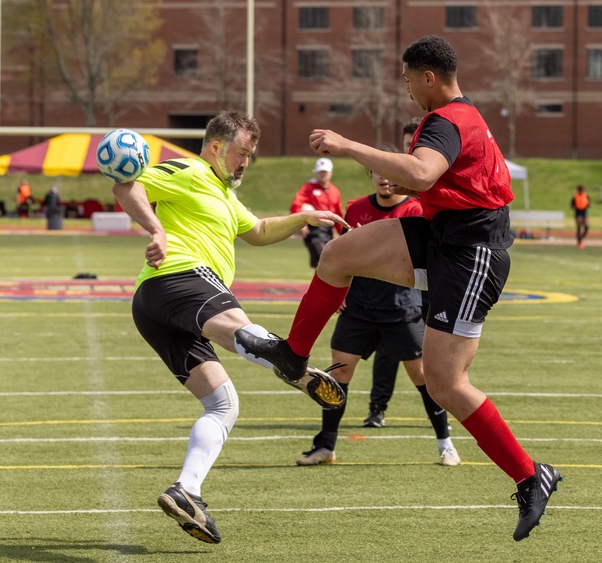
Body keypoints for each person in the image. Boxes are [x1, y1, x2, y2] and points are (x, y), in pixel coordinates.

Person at [235, 35, 562, 542]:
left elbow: (423, 171)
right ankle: (294, 355)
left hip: (471, 253)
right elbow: (438, 182)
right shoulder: (455, 118)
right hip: (443, 235)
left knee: (446, 383)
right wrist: (411, 183)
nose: (407, 88)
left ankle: (529, 475)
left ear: (428, 77)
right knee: (338, 255)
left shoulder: (449, 120)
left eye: (409, 78)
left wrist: (347, 146)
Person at [111, 110, 348, 545]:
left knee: (223, 404)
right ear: (217, 147)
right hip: (179, 279)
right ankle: (287, 361)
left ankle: (187, 491)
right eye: (241, 153)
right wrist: (157, 229)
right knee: (242, 326)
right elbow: (127, 186)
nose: (245, 163)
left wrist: (305, 217)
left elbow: (256, 230)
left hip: (158, 308)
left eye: (250, 156)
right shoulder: (190, 169)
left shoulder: (222, 192)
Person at [296, 155, 460, 468]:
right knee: (339, 372)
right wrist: (338, 291)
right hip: (358, 307)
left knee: (424, 377)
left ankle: (445, 443)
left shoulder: (414, 209)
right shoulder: (356, 208)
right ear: (371, 175)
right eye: (378, 173)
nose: (384, 179)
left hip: (400, 307)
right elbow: (342, 256)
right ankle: (326, 445)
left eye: (389, 173)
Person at [363, 118, 425, 428]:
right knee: (388, 351)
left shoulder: (432, 178)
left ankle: (441, 413)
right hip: (399, 292)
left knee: (436, 354)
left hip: (438, 279)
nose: (411, 150)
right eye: (406, 145)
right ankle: (377, 408)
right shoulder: (399, 183)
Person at [289, 157, 344, 267]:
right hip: (313, 230)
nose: (322, 174)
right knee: (323, 258)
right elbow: (296, 204)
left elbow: (338, 213)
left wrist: (342, 232)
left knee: (325, 262)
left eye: (325, 171)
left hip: (328, 230)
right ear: (316, 172)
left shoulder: (334, 191)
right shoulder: (308, 187)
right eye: (320, 172)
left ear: (331, 173)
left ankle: (324, 284)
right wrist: (300, 224)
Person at [570, 184, 590, 249]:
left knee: (586, 226)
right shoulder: (575, 196)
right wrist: (575, 207)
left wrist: (587, 205)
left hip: (584, 212)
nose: (581, 191)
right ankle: (579, 241)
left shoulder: (586, 196)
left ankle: (582, 237)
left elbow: (588, 204)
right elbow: (572, 205)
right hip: (578, 212)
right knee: (579, 226)